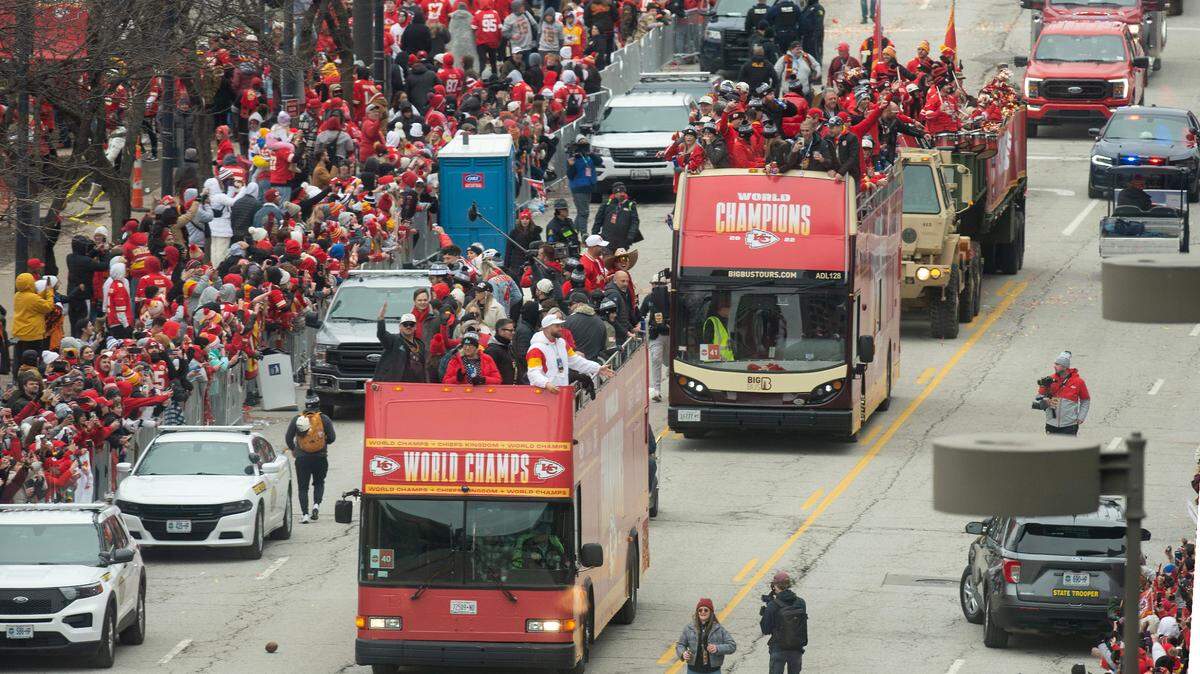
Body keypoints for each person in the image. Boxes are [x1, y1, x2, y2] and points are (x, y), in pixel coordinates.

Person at [284, 392, 336, 523]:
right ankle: (316, 505)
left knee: (303, 487)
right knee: (319, 483)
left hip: (302, 459)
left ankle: (305, 514)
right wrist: (324, 443)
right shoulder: (324, 419)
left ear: (306, 405)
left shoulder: (297, 419)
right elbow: (332, 438)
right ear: (318, 404)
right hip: (320, 457)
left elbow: (288, 438)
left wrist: (294, 450)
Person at [526, 314, 613, 392]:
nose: (560, 329)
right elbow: (533, 373)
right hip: (545, 393)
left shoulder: (562, 343)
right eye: (557, 326)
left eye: (560, 325)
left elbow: (576, 361)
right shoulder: (536, 349)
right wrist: (546, 384)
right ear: (547, 328)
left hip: (561, 392)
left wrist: (597, 368)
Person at [760, 571, 807, 674]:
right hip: (796, 648)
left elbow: (765, 629)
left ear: (775, 586)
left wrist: (765, 612)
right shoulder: (801, 602)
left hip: (778, 648)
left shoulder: (773, 605)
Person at [675, 598, 737, 673]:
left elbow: (732, 646)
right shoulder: (689, 628)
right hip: (693, 670)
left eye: (706, 610)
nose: (702, 612)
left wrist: (717, 648)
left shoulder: (719, 629)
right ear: (697, 612)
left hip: (713, 671)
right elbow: (680, 645)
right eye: (700, 610)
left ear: (711, 612)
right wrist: (683, 653)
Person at [1037, 350, 1090, 436]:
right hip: (1051, 423)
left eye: (1057, 364)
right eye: (1055, 364)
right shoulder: (1049, 379)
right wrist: (1044, 387)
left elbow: (1086, 400)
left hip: (1069, 426)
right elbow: (1038, 399)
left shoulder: (1078, 382)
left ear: (1065, 367)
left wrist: (1081, 416)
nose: (1054, 366)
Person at [374, 303, 429, 382]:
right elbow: (381, 334)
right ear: (400, 327)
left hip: (415, 385)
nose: (408, 326)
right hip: (396, 384)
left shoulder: (420, 344)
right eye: (405, 324)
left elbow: (424, 365)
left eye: (411, 324)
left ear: (415, 327)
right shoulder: (393, 340)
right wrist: (381, 319)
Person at [642, 269, 670, 402]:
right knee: (655, 360)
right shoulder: (649, 298)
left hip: (670, 335)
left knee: (671, 362)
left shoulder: (671, 298)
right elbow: (641, 313)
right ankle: (656, 389)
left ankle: (672, 385)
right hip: (656, 334)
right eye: (655, 284)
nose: (656, 286)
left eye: (659, 284)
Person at [567, 136, 602, 236]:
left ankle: (571, 234)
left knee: (581, 212)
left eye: (585, 142)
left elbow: (599, 162)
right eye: (581, 143)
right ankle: (584, 234)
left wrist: (590, 153)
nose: (583, 145)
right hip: (578, 187)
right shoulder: (573, 156)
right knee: (584, 212)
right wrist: (572, 164)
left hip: (588, 186)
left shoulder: (588, 155)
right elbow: (570, 175)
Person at [592, 182, 642, 252]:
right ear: (614, 193)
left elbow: (635, 222)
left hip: (623, 242)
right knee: (607, 260)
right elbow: (598, 221)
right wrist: (594, 236)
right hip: (607, 241)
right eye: (619, 192)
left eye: (623, 192)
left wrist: (630, 236)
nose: (622, 194)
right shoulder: (606, 204)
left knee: (621, 261)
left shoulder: (630, 205)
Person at [563, 292, 608, 360]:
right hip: (595, 364)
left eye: (571, 304)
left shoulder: (568, 321)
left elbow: (563, 345)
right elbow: (602, 347)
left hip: (575, 365)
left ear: (580, 304)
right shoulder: (600, 322)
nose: (569, 306)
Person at [485, 318, 521, 384]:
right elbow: (489, 374)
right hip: (499, 390)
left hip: (513, 389)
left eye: (513, 330)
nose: (513, 333)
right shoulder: (491, 351)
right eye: (510, 330)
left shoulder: (509, 346)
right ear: (500, 331)